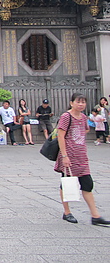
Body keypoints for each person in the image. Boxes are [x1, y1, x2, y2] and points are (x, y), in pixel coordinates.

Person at [56, 93, 110, 226]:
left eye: (83, 102)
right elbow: (60, 136)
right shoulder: (66, 116)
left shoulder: (83, 117)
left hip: (81, 156)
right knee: (67, 183)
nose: (81, 104)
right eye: (78, 102)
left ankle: (95, 215)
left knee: (87, 184)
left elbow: (85, 129)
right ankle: (67, 212)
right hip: (68, 155)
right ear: (71, 103)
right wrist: (64, 155)